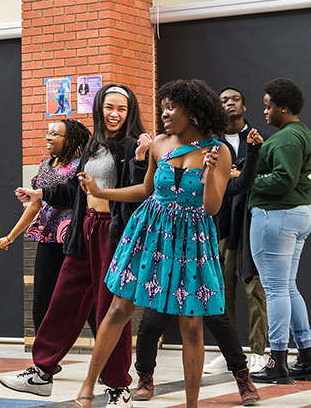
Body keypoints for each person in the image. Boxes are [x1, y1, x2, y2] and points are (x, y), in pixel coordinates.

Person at [71, 79, 231, 408]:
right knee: (118, 309)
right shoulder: (159, 144)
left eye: (172, 108)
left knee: (190, 325)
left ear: (194, 111)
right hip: (149, 233)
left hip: (191, 240)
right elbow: (145, 191)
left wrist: (212, 175)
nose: (164, 114)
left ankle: (191, 405)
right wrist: (101, 193)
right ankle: (87, 388)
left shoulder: (218, 151)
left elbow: (212, 207)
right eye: (163, 107)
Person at [0, 84, 151, 407]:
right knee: (63, 300)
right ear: (99, 108)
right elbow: (74, 187)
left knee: (110, 310)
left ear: (130, 112)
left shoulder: (132, 145)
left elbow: (139, 190)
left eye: (121, 109)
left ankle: (117, 388)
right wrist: (41, 195)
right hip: (83, 231)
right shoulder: (94, 144)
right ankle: (42, 371)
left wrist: (139, 160)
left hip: (113, 233)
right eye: (109, 107)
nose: (114, 114)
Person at [131, 124, 264, 405]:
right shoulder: (165, 151)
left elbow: (240, 186)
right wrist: (140, 159)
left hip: (198, 251)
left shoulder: (214, 154)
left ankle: (243, 378)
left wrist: (252, 153)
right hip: (166, 251)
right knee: (152, 318)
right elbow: (147, 189)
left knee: (216, 317)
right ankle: (144, 376)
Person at [0, 120, 90, 336]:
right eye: (48, 132)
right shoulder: (44, 166)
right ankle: (43, 357)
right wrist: (10, 236)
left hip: (74, 240)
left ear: (71, 140)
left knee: (85, 300)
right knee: (42, 302)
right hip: (48, 240)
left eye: (55, 133)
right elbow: (35, 205)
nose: (49, 137)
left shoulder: (81, 166)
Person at [203, 87, 270, 375]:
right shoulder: (211, 143)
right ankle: (229, 353)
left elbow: (261, 177)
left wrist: (242, 175)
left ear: (244, 107)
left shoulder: (256, 139)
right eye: (224, 101)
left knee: (254, 288)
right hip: (220, 227)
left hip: (250, 225)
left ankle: (259, 351)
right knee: (222, 290)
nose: (229, 103)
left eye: (235, 99)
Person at [249, 78, 311, 384]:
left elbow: (283, 179)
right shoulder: (301, 134)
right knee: (287, 286)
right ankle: (307, 356)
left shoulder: (287, 138)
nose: (265, 111)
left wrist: (247, 180)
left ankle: (277, 362)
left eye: (269, 105)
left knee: (274, 289)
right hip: (298, 214)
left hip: (276, 215)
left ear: (284, 108)